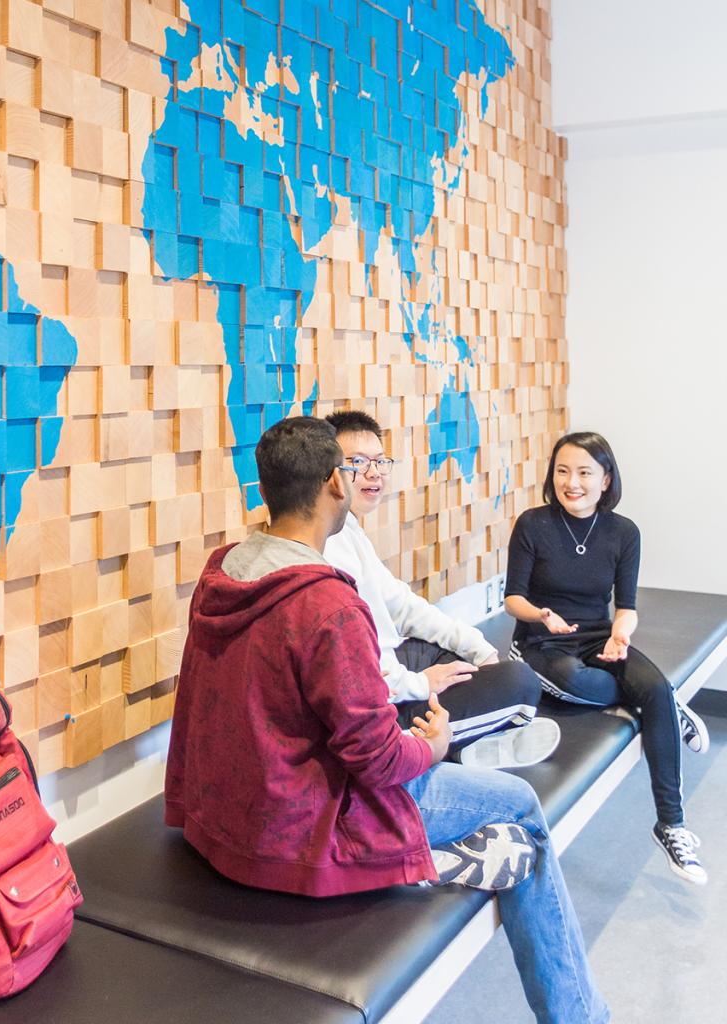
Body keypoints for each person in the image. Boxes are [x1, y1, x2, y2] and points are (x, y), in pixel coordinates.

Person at [166, 416, 609, 1024]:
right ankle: (579, 1014)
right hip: (304, 828)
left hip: (229, 816)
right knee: (522, 807)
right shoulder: (324, 602)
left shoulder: (226, 570)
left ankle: (434, 856)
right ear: (334, 484)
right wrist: (433, 746)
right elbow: (377, 762)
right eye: (355, 467)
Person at [504, 430, 709, 885]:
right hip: (542, 642)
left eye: (583, 472)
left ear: (605, 478)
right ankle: (666, 708)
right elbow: (512, 599)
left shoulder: (623, 532)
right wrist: (541, 614)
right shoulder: (533, 524)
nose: (571, 482)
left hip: (599, 637)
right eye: (562, 471)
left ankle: (671, 823)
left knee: (652, 686)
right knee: (589, 685)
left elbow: (627, 607)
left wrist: (619, 637)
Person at [321, 410, 559, 770]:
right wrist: (419, 684)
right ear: (329, 472)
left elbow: (403, 605)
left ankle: (467, 746)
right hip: (376, 703)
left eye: (380, 462)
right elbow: (354, 664)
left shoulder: (348, 529)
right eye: (357, 462)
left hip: (389, 671)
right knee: (521, 682)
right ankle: (439, 746)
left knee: (450, 653)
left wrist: (477, 648)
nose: (373, 474)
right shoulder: (329, 546)